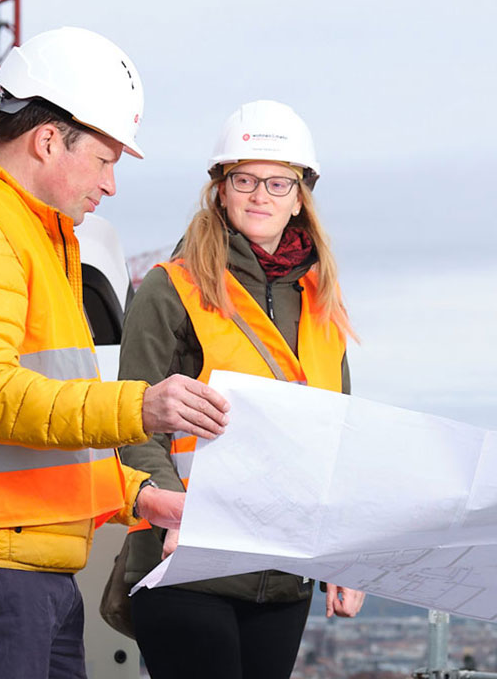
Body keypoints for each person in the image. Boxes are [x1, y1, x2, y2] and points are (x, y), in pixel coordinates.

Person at [0, 27, 228, 678]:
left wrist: (138, 495)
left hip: (13, 564)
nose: (111, 184)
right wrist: (144, 405)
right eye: (106, 159)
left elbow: (40, 436)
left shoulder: (32, 236)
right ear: (49, 138)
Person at [118, 99, 364, 678]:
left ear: (301, 195)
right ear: (220, 190)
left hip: (281, 574)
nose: (261, 196)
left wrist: (346, 554)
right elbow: (130, 414)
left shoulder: (323, 305)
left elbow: (340, 443)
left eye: (279, 183)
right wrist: (166, 506)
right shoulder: (172, 287)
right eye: (245, 180)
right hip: (184, 563)